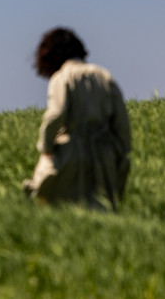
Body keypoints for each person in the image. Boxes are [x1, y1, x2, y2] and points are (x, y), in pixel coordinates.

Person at [23, 27, 132, 210]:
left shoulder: (61, 77)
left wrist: (46, 146)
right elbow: (121, 119)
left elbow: (56, 114)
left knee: (62, 210)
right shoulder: (104, 75)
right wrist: (122, 151)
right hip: (105, 155)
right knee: (101, 211)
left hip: (73, 154)